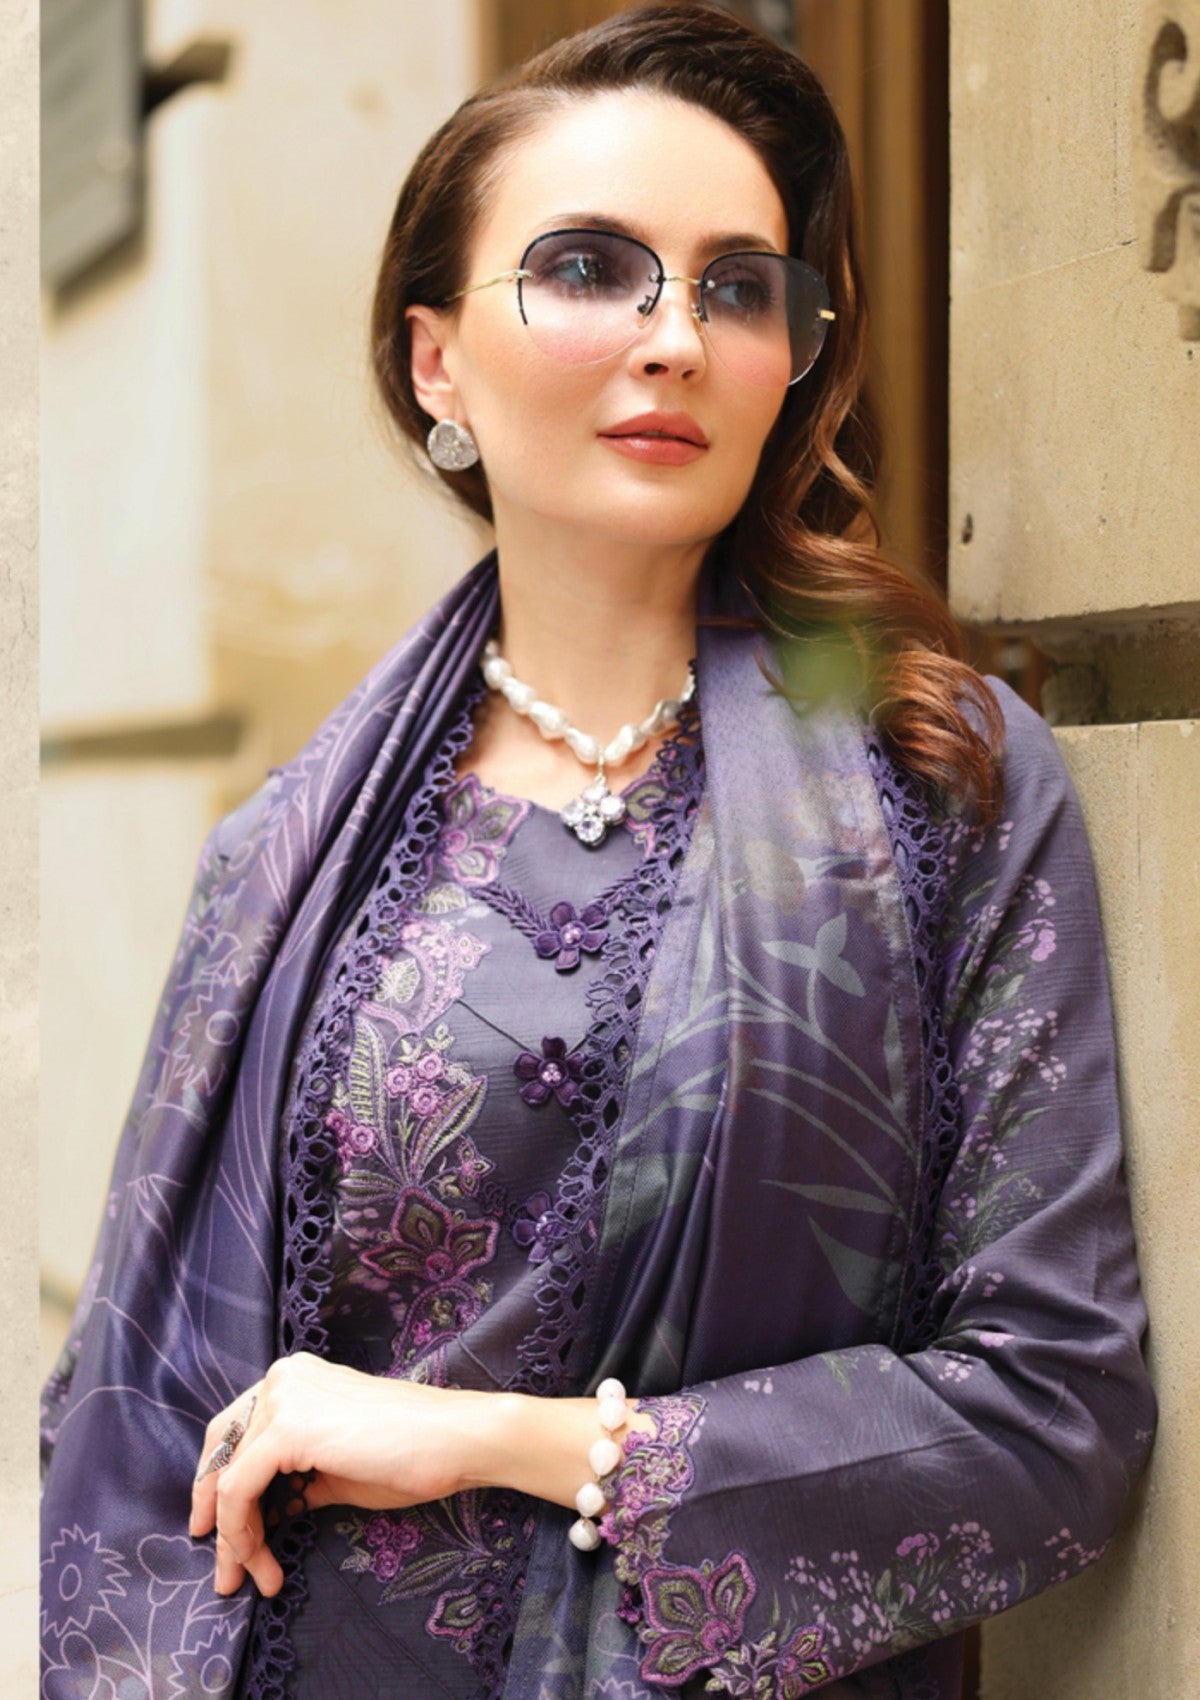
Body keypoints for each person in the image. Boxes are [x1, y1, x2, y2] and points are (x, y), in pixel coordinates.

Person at [39, 6, 1155, 1698]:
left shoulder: (943, 788)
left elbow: (1051, 1417)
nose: (676, 337)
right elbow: (132, 1415)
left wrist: (506, 1439)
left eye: (738, 288)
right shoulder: (286, 860)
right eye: (588, 268)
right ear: (436, 362)